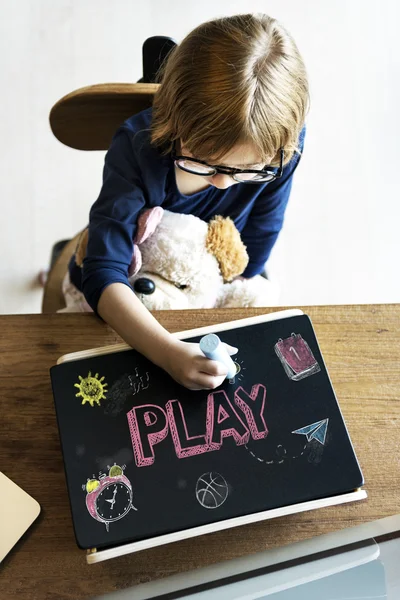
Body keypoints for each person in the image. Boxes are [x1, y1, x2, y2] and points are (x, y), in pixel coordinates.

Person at [67, 13, 309, 391]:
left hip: (206, 283)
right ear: (173, 118)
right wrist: (167, 352)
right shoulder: (137, 147)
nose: (224, 182)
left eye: (247, 170)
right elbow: (101, 271)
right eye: (201, 159)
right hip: (132, 288)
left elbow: (261, 235)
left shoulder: (282, 152)